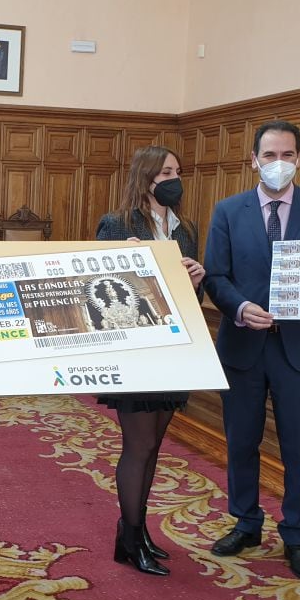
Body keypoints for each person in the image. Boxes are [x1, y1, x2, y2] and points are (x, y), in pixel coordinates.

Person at [203, 120, 300, 580]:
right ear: (254, 160)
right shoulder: (229, 210)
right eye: (270, 156)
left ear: (299, 160)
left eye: (287, 155)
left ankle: (296, 536)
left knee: (299, 446)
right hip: (243, 344)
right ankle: (246, 523)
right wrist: (240, 307)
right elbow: (215, 275)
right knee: (242, 441)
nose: (278, 163)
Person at [95, 146, 205, 576]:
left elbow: (188, 296)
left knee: (155, 444)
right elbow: (100, 287)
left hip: (174, 348)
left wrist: (197, 277)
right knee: (138, 445)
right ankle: (130, 534)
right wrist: (128, 262)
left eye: (178, 170)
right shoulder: (117, 224)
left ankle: (135, 533)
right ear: (145, 178)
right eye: (165, 172)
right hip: (135, 349)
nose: (174, 178)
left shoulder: (186, 227)